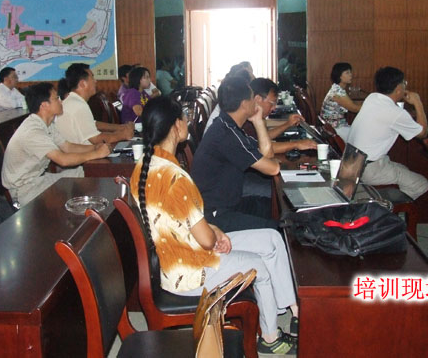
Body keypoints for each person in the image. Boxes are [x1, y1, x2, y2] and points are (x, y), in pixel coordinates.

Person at [130, 96, 298, 355]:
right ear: (176, 126)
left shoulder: (145, 165)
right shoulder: (174, 177)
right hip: (189, 270)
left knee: (271, 239)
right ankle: (270, 336)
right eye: (184, 118)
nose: (187, 122)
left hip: (184, 247)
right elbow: (206, 240)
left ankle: (294, 310)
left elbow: (185, 222)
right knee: (259, 266)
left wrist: (216, 231)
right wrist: (214, 235)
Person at [192, 77, 280, 231]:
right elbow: (273, 168)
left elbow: (266, 153)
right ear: (244, 104)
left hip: (231, 203)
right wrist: (275, 162)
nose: (256, 103)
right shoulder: (226, 134)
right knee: (277, 229)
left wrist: (258, 121)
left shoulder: (228, 125)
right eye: (252, 98)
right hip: (215, 216)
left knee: (275, 208)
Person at [1, 82, 111, 205]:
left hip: (40, 179)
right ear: (44, 105)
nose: (61, 101)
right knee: (63, 196)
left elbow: (67, 147)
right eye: (56, 98)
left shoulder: (47, 124)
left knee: (85, 173)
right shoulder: (33, 131)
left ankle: (93, 212)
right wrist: (96, 154)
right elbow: (62, 160)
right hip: (24, 189)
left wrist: (95, 147)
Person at [347, 66, 428, 200]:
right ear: (398, 88)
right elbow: (423, 133)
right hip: (369, 169)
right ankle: (386, 207)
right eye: (404, 83)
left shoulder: (372, 98)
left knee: (403, 168)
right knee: (421, 184)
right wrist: (417, 102)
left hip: (352, 162)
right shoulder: (396, 113)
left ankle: (389, 202)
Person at [55, 63, 133, 149]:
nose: (95, 81)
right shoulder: (78, 105)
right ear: (82, 84)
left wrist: (120, 128)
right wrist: (123, 135)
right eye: (92, 77)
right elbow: (96, 139)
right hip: (83, 155)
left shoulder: (73, 100)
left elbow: (93, 124)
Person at [247, 78, 316, 154]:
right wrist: (296, 144)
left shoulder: (253, 117)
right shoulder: (246, 121)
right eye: (272, 103)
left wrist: (288, 124)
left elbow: (265, 137)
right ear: (258, 99)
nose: (274, 108)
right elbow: (262, 148)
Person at [320, 62, 362, 141]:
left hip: (332, 126)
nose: (351, 75)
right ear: (339, 76)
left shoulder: (336, 88)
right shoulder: (338, 92)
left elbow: (351, 104)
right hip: (335, 129)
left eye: (350, 72)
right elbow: (354, 109)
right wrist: (370, 105)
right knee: (363, 136)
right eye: (347, 73)